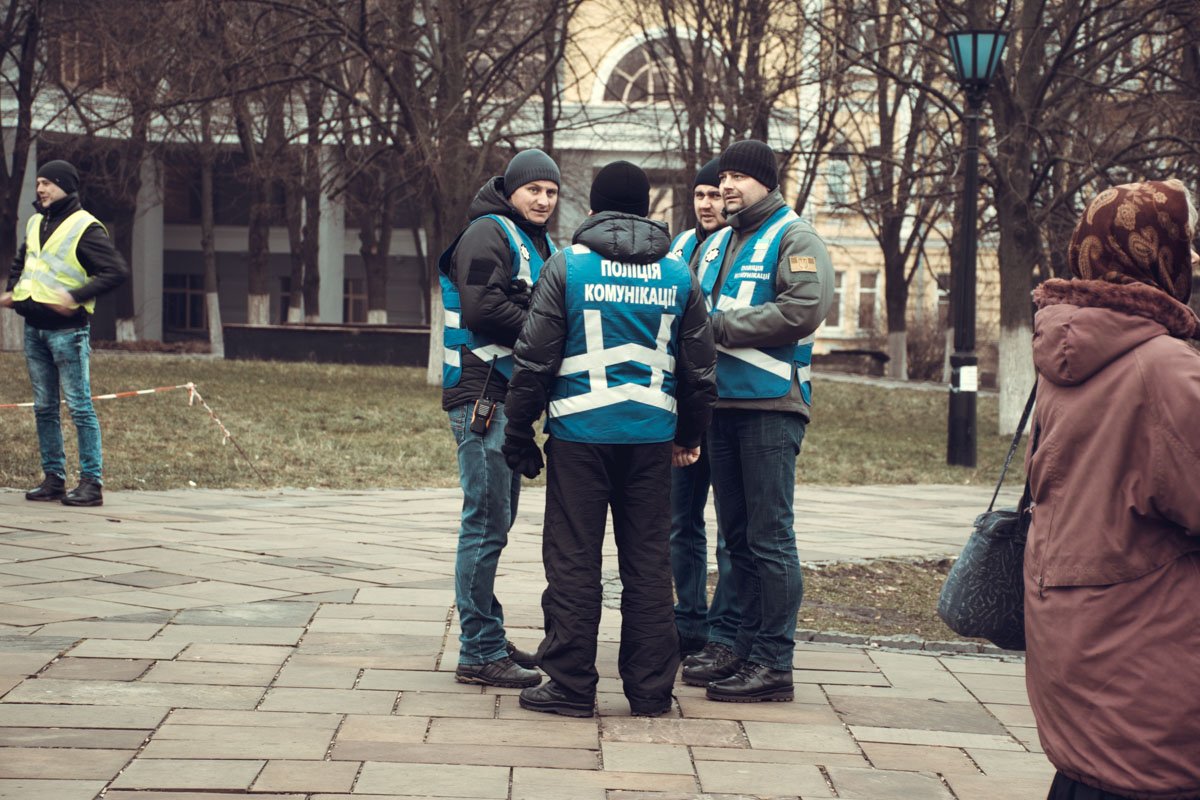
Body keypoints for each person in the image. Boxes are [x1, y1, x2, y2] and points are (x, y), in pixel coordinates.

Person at [502, 160, 717, 718]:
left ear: (593, 210)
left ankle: (570, 685)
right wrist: (689, 434)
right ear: (648, 212)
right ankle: (650, 692)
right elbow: (699, 369)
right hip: (650, 438)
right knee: (649, 564)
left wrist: (519, 429)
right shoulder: (678, 273)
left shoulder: (566, 266)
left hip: (579, 435)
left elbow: (534, 358)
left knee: (573, 560)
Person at [1024, 179, 1200, 800]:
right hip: (1149, 663)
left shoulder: (1065, 346)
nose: (1196, 259)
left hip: (1076, 644)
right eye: (1189, 241)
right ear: (1155, 253)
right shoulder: (1163, 368)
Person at [680, 139, 833, 703]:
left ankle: (774, 662)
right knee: (737, 538)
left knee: (770, 539)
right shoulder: (717, 241)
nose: (727, 187)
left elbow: (802, 310)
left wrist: (719, 327)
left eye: (740, 177)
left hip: (771, 407)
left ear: (767, 183)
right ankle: (735, 647)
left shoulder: (796, 237)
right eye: (724, 177)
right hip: (722, 405)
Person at [438, 148, 560, 689]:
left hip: (507, 398)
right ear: (511, 190)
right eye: (534, 189)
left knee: (496, 524)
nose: (543, 199)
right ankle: (478, 651)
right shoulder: (488, 233)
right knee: (485, 526)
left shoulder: (536, 243)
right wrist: (546, 331)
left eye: (552, 192)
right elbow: (483, 309)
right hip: (483, 397)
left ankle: (485, 630)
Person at [0, 160, 128, 507]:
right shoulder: (36, 221)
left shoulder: (84, 226)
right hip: (34, 329)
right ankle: (54, 479)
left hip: (68, 333)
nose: (40, 189)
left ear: (65, 186)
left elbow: (115, 271)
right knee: (44, 408)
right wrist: (14, 291)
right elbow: (22, 261)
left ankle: (91, 484)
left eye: (47, 183)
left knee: (80, 407)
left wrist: (75, 296)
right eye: (39, 182)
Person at [667, 157, 738, 657]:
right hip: (680, 405)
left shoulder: (742, 249)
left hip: (732, 403)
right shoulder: (679, 247)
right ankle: (687, 619)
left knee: (731, 528)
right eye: (700, 196)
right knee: (680, 518)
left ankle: (722, 627)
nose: (708, 204)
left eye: (715, 194)